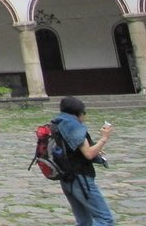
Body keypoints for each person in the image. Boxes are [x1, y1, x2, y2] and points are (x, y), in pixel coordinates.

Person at [54, 96, 114, 226]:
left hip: (66, 178)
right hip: (80, 178)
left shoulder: (58, 123)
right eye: (84, 113)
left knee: (84, 221)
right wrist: (104, 138)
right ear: (79, 113)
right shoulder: (74, 126)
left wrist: (95, 147)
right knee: (105, 220)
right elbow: (88, 154)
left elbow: (72, 149)